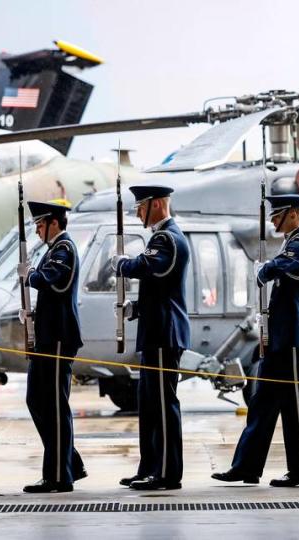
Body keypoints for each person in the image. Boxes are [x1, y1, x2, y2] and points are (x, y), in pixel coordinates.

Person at [212, 194, 299, 488]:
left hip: (290, 335)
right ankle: (246, 466)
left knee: (294, 406)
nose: (272, 219)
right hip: (277, 335)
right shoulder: (289, 242)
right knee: (262, 403)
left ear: (294, 215)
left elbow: (280, 268)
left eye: (278, 214)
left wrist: (264, 268)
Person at [112, 185, 191, 490]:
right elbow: (160, 287)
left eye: (141, 206)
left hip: (164, 332)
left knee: (162, 404)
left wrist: (122, 264)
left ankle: (168, 472)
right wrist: (137, 307)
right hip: (155, 329)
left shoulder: (167, 238)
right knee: (149, 404)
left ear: (156, 204)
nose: (137, 212)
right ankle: (149, 466)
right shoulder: (160, 237)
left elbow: (148, 267)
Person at [19, 201, 87, 493]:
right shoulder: (54, 250)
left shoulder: (64, 249)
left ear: (53, 223)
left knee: (55, 406)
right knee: (37, 400)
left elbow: (53, 283)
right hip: (48, 335)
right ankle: (70, 462)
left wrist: (30, 274)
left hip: (59, 337)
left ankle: (59, 476)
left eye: (39, 225)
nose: (36, 231)